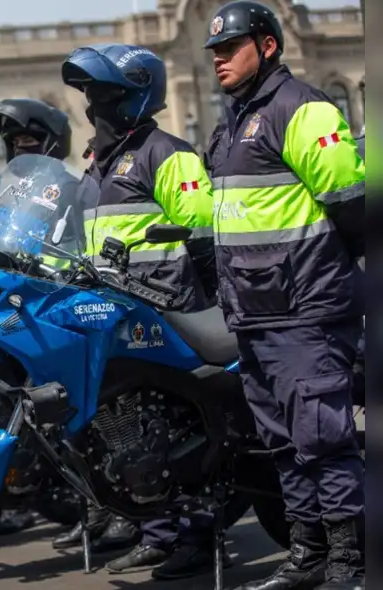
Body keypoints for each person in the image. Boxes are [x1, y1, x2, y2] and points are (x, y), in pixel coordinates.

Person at [201, 3, 366, 589]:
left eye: (231, 47)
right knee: (282, 444)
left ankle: (347, 563)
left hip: (305, 309)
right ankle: (307, 557)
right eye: (214, 51)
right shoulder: (230, 125)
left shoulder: (301, 108)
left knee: (322, 437)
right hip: (253, 313)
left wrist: (324, 272)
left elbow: (350, 204)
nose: (219, 59)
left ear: (268, 46)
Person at [60, 42, 220, 580]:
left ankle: (196, 534)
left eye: (105, 92)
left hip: (168, 309)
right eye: (89, 93)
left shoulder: (167, 153)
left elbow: (201, 231)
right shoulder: (97, 165)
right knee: (130, 428)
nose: (93, 103)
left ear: (136, 94)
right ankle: (156, 532)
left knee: (177, 431)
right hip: (115, 318)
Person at [0, 98, 73, 161]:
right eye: (14, 143)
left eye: (28, 141)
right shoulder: (22, 184)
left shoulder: (68, 184)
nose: (18, 149)